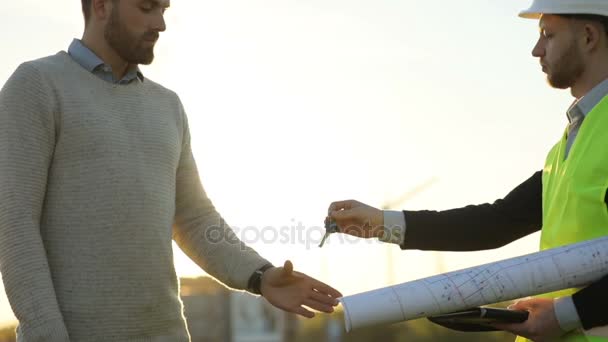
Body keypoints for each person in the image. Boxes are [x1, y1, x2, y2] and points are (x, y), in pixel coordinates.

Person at [0, 0, 342, 340]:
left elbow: (194, 219)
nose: (160, 24)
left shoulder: (168, 106)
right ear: (102, 5)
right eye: (147, 8)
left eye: (163, 10)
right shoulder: (37, 85)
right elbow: (13, 221)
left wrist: (260, 275)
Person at [327, 1, 608, 341]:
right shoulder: (571, 142)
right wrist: (384, 224)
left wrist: (566, 315)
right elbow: (497, 222)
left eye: (548, 35)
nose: (536, 50)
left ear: (589, 37)